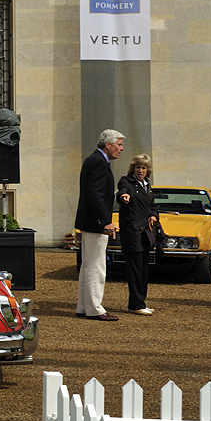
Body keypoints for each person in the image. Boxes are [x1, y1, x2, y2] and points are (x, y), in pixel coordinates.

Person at [75, 129, 124, 321]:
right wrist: (105, 221)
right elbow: (96, 194)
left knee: (88, 266)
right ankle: (95, 308)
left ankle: (84, 307)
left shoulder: (94, 160)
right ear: (108, 144)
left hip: (89, 221)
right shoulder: (98, 162)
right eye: (119, 145)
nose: (121, 149)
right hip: (95, 222)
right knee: (96, 266)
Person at [116, 154, 158, 316]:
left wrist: (154, 215)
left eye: (143, 168)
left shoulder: (147, 185)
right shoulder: (126, 181)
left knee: (143, 270)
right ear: (133, 168)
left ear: (148, 170)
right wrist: (123, 196)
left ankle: (140, 302)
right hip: (132, 232)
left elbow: (153, 206)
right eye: (138, 167)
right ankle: (136, 304)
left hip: (145, 233)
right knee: (135, 270)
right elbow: (122, 191)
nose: (140, 170)